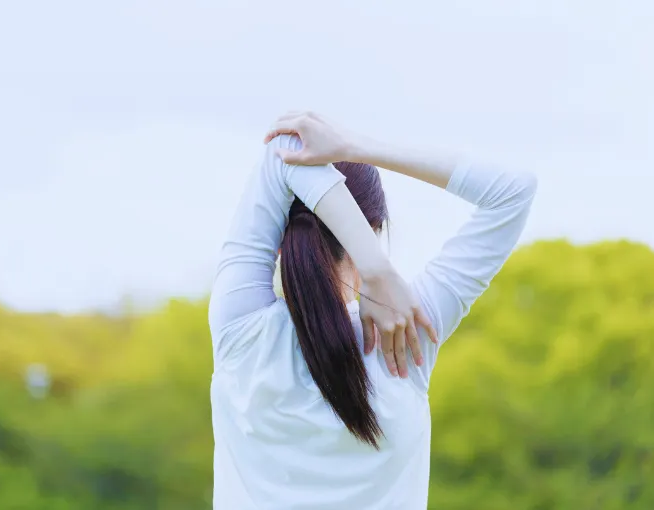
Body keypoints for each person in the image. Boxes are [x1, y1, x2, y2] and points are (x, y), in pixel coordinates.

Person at [208, 111, 537, 509]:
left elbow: (284, 149)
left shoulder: (240, 330)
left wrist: (374, 266)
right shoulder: (407, 336)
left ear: (278, 239)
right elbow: (514, 191)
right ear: (373, 228)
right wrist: (356, 149)